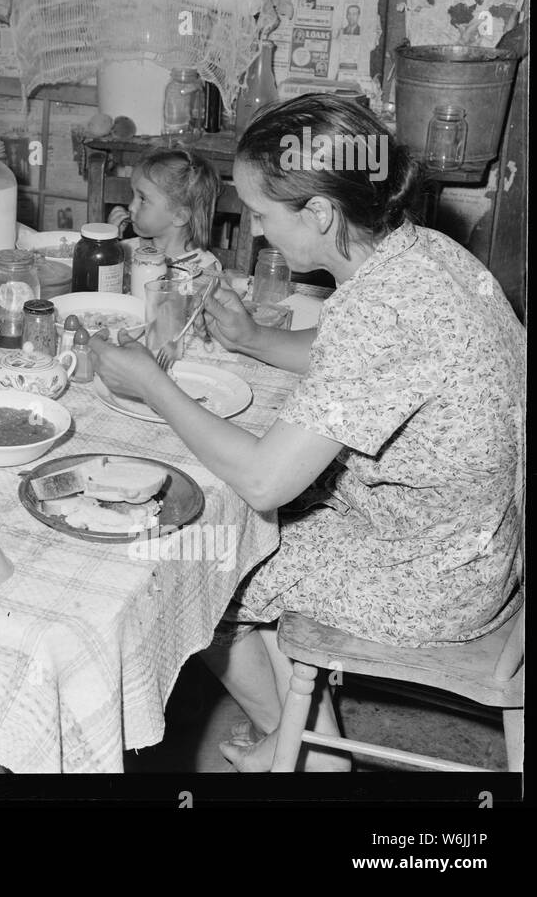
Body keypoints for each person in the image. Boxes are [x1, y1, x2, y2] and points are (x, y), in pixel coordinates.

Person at [88, 95, 524, 772]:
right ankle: (297, 734)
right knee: (240, 519)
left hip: (436, 575)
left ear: (320, 213)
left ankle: (306, 751)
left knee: (198, 559)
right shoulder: (417, 253)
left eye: (262, 214)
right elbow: (357, 357)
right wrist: (257, 338)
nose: (257, 232)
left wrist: (152, 382)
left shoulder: (381, 308)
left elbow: (267, 475)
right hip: (475, 534)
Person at [107, 148, 223, 276]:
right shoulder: (126, 251)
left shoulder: (203, 268)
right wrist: (110, 244)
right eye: (133, 195)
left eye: (143, 199)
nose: (131, 207)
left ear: (179, 216)